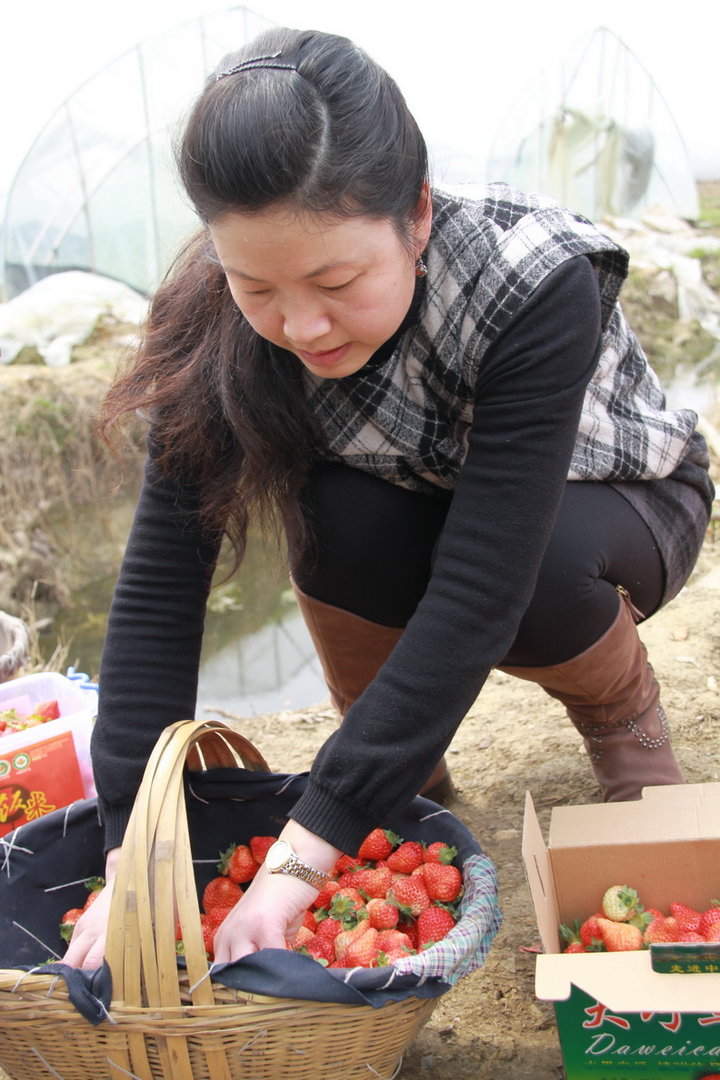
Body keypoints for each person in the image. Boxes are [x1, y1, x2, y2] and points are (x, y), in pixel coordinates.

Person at [64, 26, 713, 970]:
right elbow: (163, 586)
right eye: (257, 286)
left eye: (337, 281)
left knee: (529, 577)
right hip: (413, 494)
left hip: (608, 505)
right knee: (328, 513)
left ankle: (623, 716)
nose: (301, 324)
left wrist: (304, 847)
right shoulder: (214, 316)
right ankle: (403, 769)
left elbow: (480, 582)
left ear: (413, 215)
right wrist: (135, 845)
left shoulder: (531, 279)